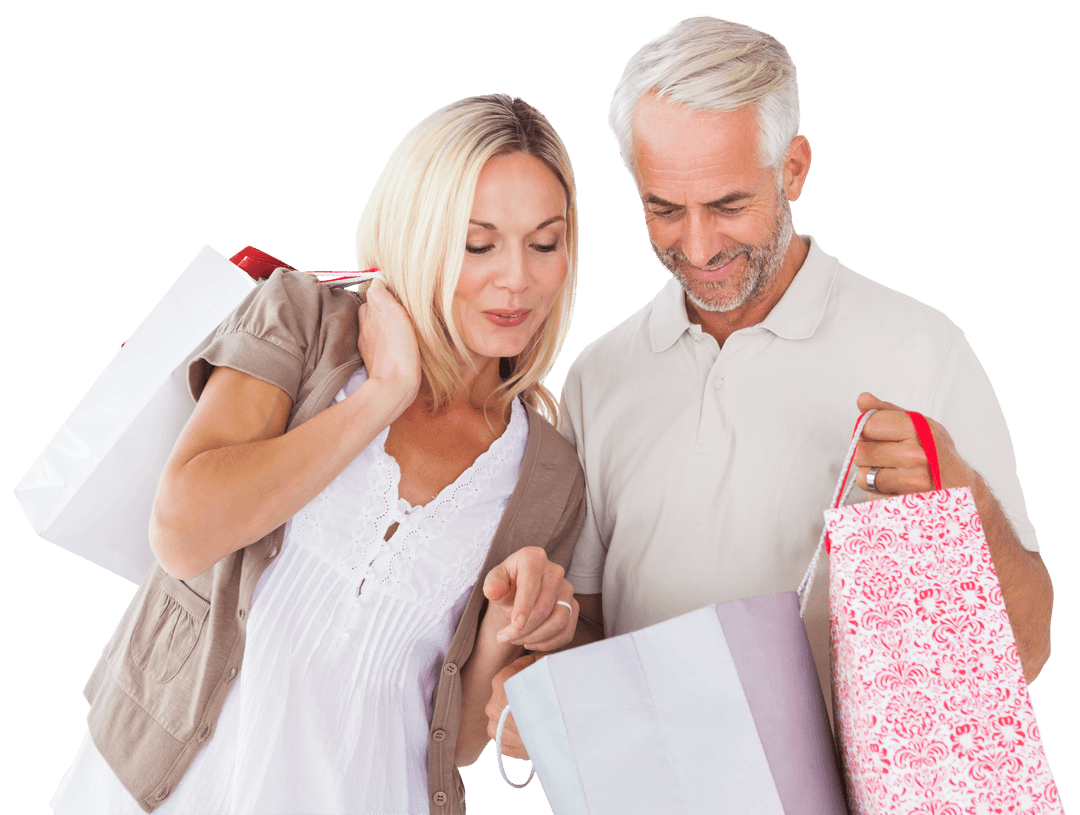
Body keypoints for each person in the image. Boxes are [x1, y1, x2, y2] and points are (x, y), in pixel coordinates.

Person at [488, 16, 1054, 758]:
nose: (698, 246)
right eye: (664, 209)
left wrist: (963, 498)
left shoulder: (919, 350)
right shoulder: (600, 376)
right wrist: (537, 694)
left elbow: (1026, 650)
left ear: (793, 169)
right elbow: (593, 631)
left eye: (728, 205)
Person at [50, 93, 585, 815]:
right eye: (477, 243)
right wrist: (382, 396)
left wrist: (502, 631)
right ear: (418, 233)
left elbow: (455, 740)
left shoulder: (549, 473)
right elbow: (183, 532)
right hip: (173, 791)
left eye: (544, 243)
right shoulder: (305, 319)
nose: (517, 278)